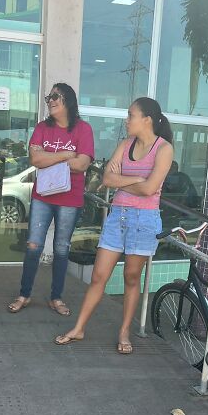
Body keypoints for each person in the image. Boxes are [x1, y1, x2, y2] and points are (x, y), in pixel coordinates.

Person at [55, 97, 173, 353]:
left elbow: (151, 188)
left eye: (131, 115)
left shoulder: (163, 149)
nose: (126, 119)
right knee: (99, 276)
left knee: (131, 278)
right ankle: (79, 328)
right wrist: (137, 178)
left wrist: (125, 179)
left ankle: (124, 332)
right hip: (117, 216)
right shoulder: (125, 144)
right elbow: (107, 179)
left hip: (144, 220)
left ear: (147, 120)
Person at [7, 83, 94, 316]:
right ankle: (24, 294)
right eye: (48, 96)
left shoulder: (83, 129)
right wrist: (66, 154)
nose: (50, 100)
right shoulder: (42, 128)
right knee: (33, 244)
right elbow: (35, 160)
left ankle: (56, 297)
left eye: (56, 96)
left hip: (70, 198)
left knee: (61, 248)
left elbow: (83, 164)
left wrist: (49, 157)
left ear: (69, 100)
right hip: (43, 196)